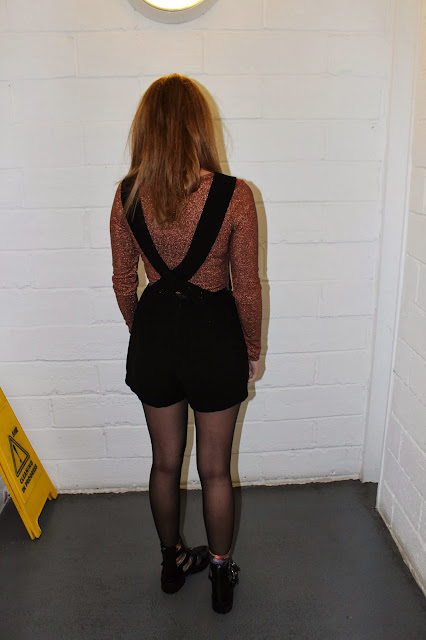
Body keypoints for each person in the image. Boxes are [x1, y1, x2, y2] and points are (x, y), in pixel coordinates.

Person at [109, 73, 262, 614]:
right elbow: (246, 286)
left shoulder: (127, 194)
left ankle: (171, 563)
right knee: (216, 469)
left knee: (164, 463)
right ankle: (220, 572)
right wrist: (252, 348)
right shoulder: (235, 196)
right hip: (215, 338)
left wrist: (145, 331)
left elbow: (122, 282)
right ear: (199, 126)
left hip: (156, 338)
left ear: (146, 129)